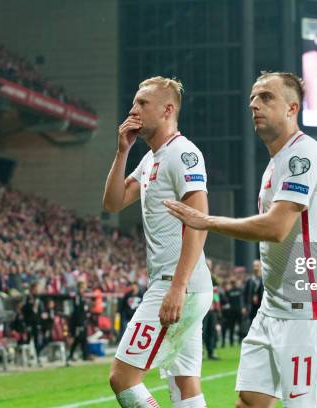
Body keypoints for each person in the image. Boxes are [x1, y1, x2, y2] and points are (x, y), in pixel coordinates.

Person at [164, 71, 317, 407]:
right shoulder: (279, 161)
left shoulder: (302, 157)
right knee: (249, 401)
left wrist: (206, 221)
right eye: (253, 98)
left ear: (292, 108)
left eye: (266, 97)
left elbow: (276, 227)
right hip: (273, 308)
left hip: (305, 315)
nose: (254, 104)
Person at [104, 76, 213, 408]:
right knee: (184, 383)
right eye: (134, 102)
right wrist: (122, 150)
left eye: (142, 103)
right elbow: (113, 202)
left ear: (167, 110)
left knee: (122, 377)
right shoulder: (150, 158)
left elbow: (199, 223)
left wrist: (177, 287)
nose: (133, 109)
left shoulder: (183, 154)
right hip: (184, 285)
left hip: (177, 284)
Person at [68, 280, 90, 363]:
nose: (84, 289)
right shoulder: (77, 297)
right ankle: (71, 355)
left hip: (83, 321)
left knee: (83, 338)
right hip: (79, 322)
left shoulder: (82, 296)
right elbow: (77, 311)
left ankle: (85, 355)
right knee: (78, 338)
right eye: (83, 287)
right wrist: (79, 322)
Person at [241, 260, 264, 337]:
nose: (255, 268)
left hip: (261, 306)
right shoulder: (250, 280)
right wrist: (243, 306)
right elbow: (243, 294)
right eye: (254, 266)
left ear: (261, 267)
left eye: (257, 266)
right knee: (252, 323)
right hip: (251, 307)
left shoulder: (264, 280)